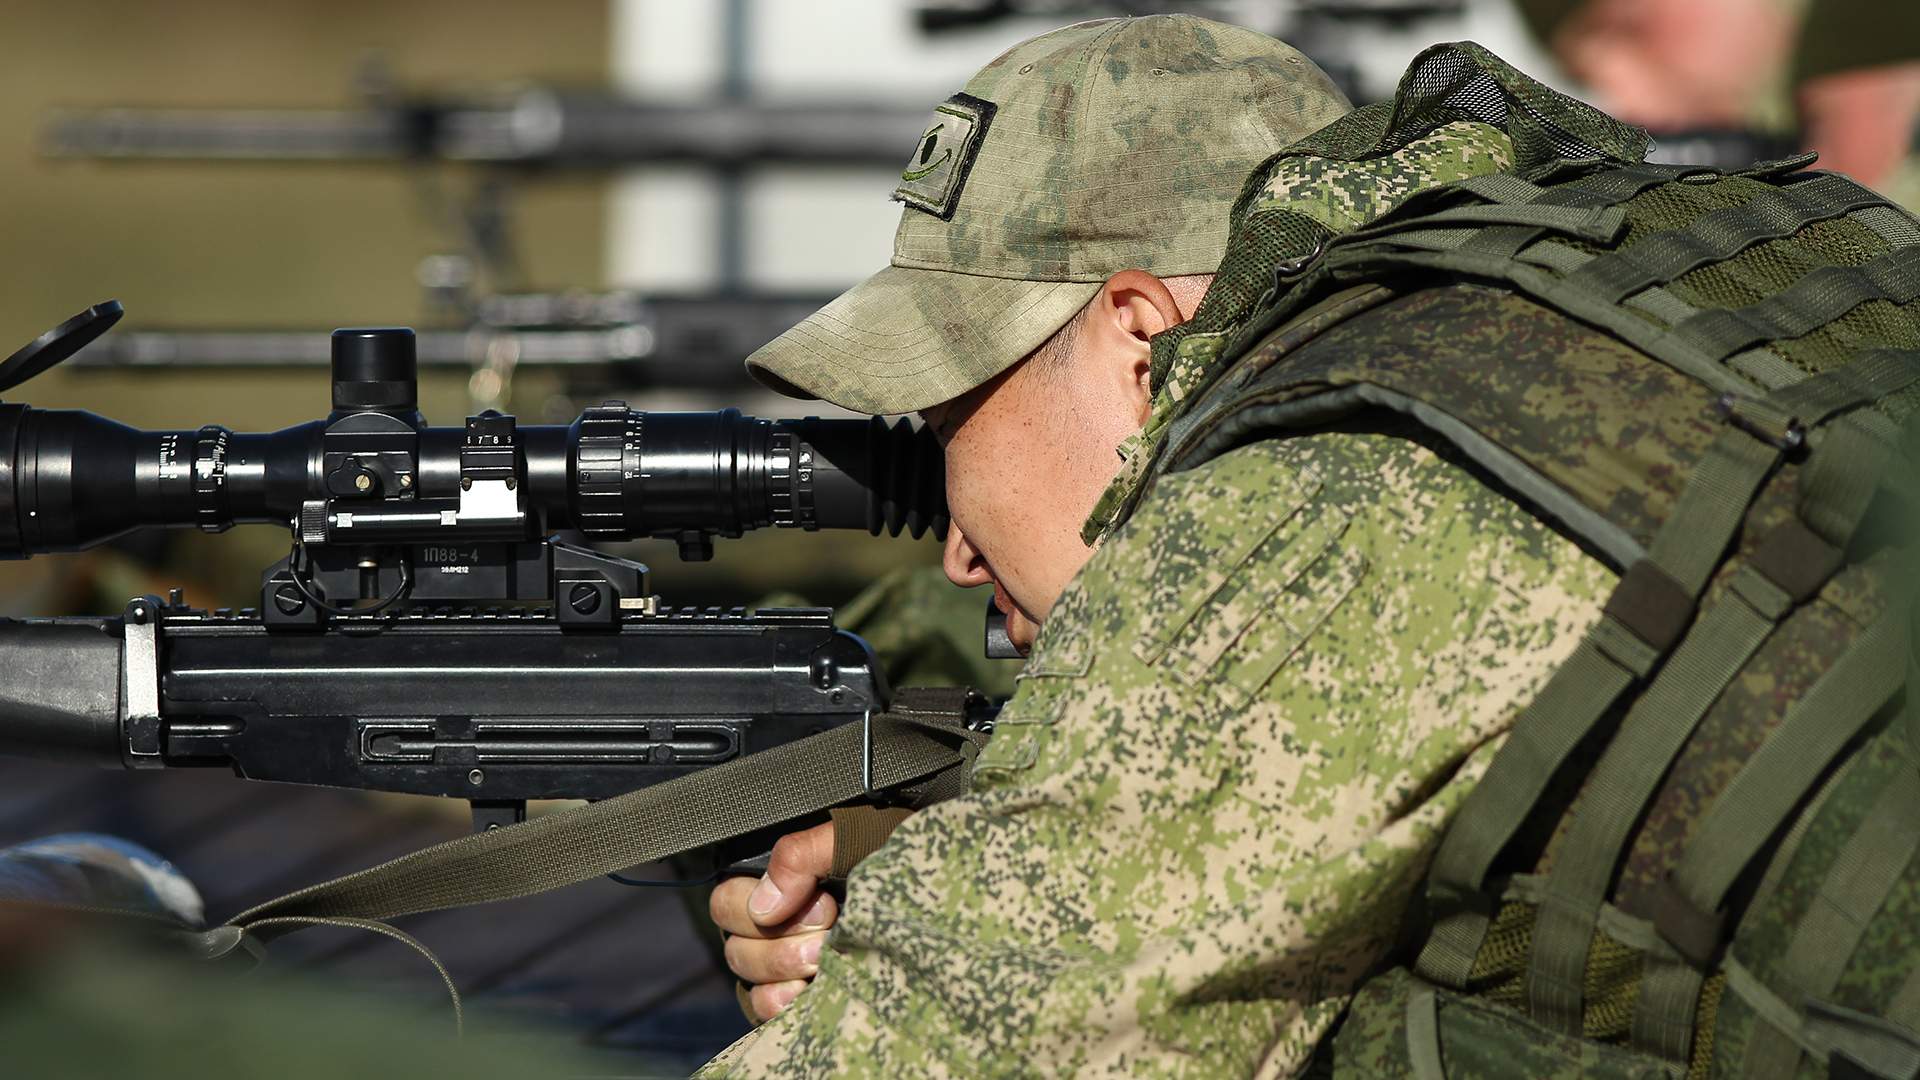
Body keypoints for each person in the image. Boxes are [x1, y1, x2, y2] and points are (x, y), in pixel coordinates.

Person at [707, 15, 1917, 1079]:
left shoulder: (1325, 471)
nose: (956, 556)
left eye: (948, 425)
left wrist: (960, 922)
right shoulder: (1579, 321)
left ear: (1138, 345)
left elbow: (951, 1046)